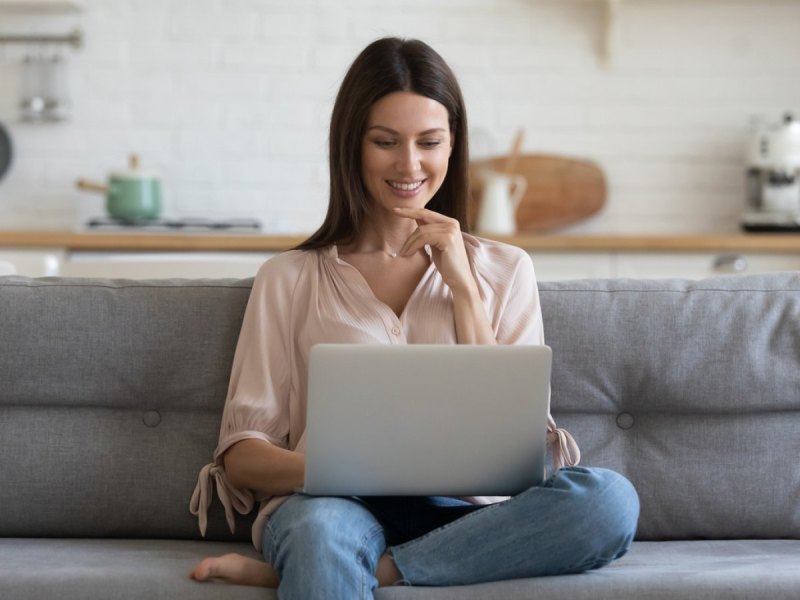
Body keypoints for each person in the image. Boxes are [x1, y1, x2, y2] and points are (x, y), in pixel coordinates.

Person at [188, 36, 639, 598]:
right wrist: (347, 469)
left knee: (610, 500)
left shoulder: (507, 268)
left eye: (429, 142)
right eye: (385, 142)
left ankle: (374, 570)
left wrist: (464, 290)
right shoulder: (289, 278)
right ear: (352, 146)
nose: (409, 165)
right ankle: (335, 560)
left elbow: (512, 444)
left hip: (468, 515)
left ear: (453, 147)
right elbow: (242, 458)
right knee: (322, 534)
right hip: (331, 507)